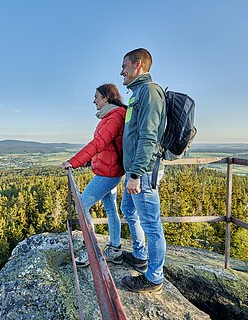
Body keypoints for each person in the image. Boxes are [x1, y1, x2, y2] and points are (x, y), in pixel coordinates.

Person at [119, 48, 167, 293]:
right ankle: (140, 256)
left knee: (151, 224)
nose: (121, 72)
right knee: (127, 208)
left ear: (137, 64)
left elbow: (148, 137)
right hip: (135, 170)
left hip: (143, 172)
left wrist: (136, 174)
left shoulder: (149, 92)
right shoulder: (138, 93)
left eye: (124, 67)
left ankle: (154, 278)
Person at [62, 83, 126, 267]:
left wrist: (74, 161)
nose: (94, 101)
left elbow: (98, 143)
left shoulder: (114, 117)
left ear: (106, 98)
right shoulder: (110, 116)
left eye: (96, 97)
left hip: (108, 173)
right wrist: (91, 161)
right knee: (111, 210)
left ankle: (91, 251)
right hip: (109, 169)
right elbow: (105, 147)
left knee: (81, 206)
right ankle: (115, 249)